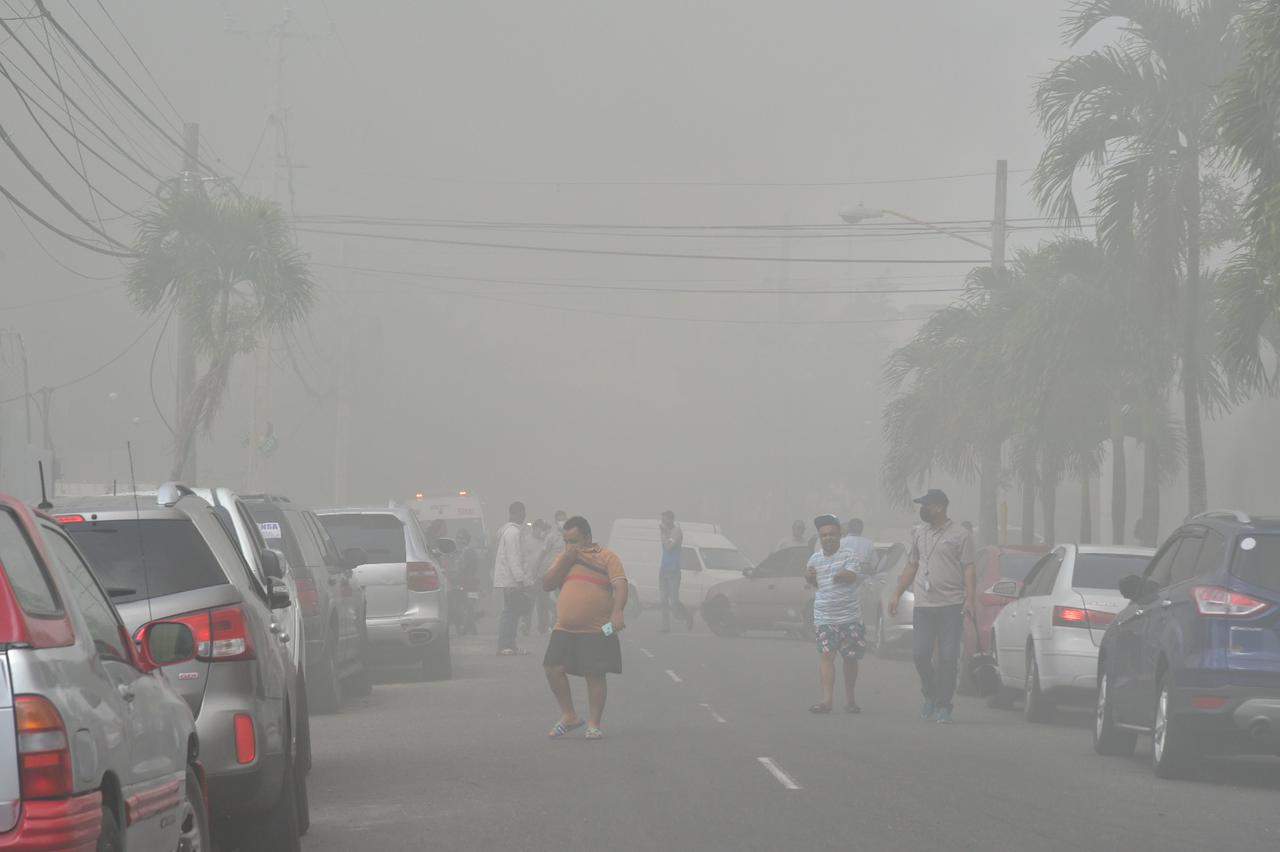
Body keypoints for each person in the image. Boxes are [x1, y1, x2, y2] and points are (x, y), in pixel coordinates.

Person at [888, 489, 976, 724]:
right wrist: (896, 593)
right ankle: (930, 693)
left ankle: (944, 705)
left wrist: (970, 598)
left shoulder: (961, 535)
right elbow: (912, 565)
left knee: (948, 657)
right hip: (924, 605)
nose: (922, 510)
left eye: (926, 505)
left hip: (951, 605)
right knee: (920, 654)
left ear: (939, 507)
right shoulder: (918, 533)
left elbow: (968, 567)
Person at [542, 516, 628, 741]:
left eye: (574, 541)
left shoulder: (607, 557)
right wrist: (566, 559)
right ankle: (569, 716)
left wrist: (617, 612)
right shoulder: (565, 559)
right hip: (564, 628)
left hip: (598, 629)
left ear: (588, 538)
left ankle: (593, 724)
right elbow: (547, 584)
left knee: (595, 673)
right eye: (566, 541)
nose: (569, 546)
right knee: (552, 667)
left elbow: (620, 586)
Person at [804, 515, 871, 714]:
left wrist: (841, 574)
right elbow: (812, 582)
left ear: (839, 535)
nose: (828, 538)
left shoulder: (849, 555)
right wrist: (809, 576)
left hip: (849, 617)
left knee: (850, 658)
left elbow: (852, 576)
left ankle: (850, 699)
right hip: (824, 617)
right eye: (823, 535)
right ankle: (826, 701)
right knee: (826, 656)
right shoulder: (814, 559)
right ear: (819, 537)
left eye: (832, 534)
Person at [493, 501, 535, 655]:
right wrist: (520, 580)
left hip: (510, 579)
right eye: (521, 513)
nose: (523, 516)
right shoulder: (513, 533)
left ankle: (510, 644)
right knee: (510, 612)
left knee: (513, 611)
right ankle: (505, 645)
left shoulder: (511, 531)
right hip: (512, 580)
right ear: (513, 514)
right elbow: (514, 558)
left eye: (524, 513)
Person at [658, 509, 691, 632]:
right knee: (663, 600)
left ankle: (686, 615)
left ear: (671, 520)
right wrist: (664, 534)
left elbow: (669, 547)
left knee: (674, 601)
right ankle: (665, 627)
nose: (662, 522)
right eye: (662, 519)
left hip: (674, 570)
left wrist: (665, 533)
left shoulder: (676, 531)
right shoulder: (665, 532)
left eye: (664, 519)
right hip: (664, 568)